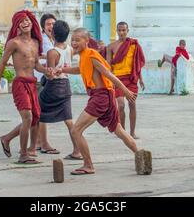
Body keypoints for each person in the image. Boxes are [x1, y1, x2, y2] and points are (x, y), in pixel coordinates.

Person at [55, 28, 140, 176]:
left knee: (76, 131)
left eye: (78, 40)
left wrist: (125, 91)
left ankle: (88, 165)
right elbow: (80, 70)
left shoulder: (91, 54)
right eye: (72, 40)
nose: (74, 43)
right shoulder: (84, 56)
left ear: (87, 41)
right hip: (104, 96)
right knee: (119, 130)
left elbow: (108, 74)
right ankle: (141, 155)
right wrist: (62, 70)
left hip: (100, 97)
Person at [0, 10, 53, 164]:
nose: (25, 23)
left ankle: (8, 139)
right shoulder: (14, 43)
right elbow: (2, 63)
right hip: (20, 83)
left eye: (27, 20)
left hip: (32, 83)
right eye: (21, 21)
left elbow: (37, 65)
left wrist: (46, 71)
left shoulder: (36, 42)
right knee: (27, 118)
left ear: (32, 23)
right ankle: (23, 154)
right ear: (17, 25)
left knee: (34, 119)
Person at [39, 20, 82, 160]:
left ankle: (33, 146)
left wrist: (43, 70)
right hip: (66, 85)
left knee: (36, 112)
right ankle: (77, 150)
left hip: (54, 87)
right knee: (69, 120)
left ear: (53, 34)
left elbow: (50, 75)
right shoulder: (70, 49)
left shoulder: (52, 52)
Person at [106, 22, 145, 139]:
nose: (121, 33)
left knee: (132, 104)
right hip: (117, 79)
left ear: (128, 31)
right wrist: (110, 80)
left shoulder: (133, 44)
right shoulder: (111, 47)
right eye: (119, 30)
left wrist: (141, 79)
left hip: (131, 79)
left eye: (124, 30)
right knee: (121, 105)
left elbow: (136, 64)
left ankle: (132, 132)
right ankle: (122, 131)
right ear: (116, 31)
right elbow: (108, 67)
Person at [31, 13, 59, 155]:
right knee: (40, 112)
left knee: (38, 112)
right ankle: (43, 143)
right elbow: (35, 56)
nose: (51, 26)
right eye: (48, 24)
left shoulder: (55, 40)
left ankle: (37, 142)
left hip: (48, 78)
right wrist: (49, 57)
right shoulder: (40, 39)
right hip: (38, 78)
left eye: (53, 24)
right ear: (43, 26)